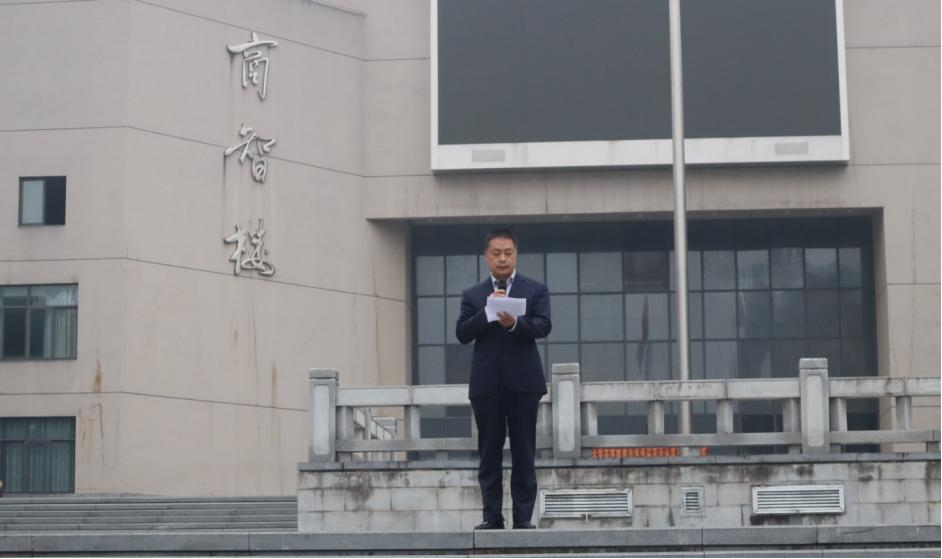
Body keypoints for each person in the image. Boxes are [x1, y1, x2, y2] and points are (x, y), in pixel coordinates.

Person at [456, 228, 552, 530]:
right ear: (487, 256)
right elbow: (462, 333)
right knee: (489, 455)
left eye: (508, 253)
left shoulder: (535, 289)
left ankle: (523, 519)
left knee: (524, 452)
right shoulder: (473, 295)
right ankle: (492, 517)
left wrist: (514, 325)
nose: (502, 259)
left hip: (524, 384)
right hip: (487, 385)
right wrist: (487, 313)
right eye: (496, 253)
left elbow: (543, 325)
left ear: (515, 255)